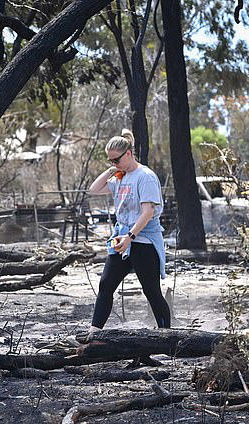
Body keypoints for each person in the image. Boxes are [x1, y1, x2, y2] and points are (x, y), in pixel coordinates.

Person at [87, 129, 170, 332]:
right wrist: (111, 170)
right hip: (121, 239)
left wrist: (131, 237)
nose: (114, 164)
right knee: (106, 286)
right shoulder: (118, 177)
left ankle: (167, 336)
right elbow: (93, 189)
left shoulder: (145, 177)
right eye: (111, 160)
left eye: (116, 160)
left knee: (151, 291)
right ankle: (93, 333)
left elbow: (148, 212)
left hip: (143, 241)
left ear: (129, 154)